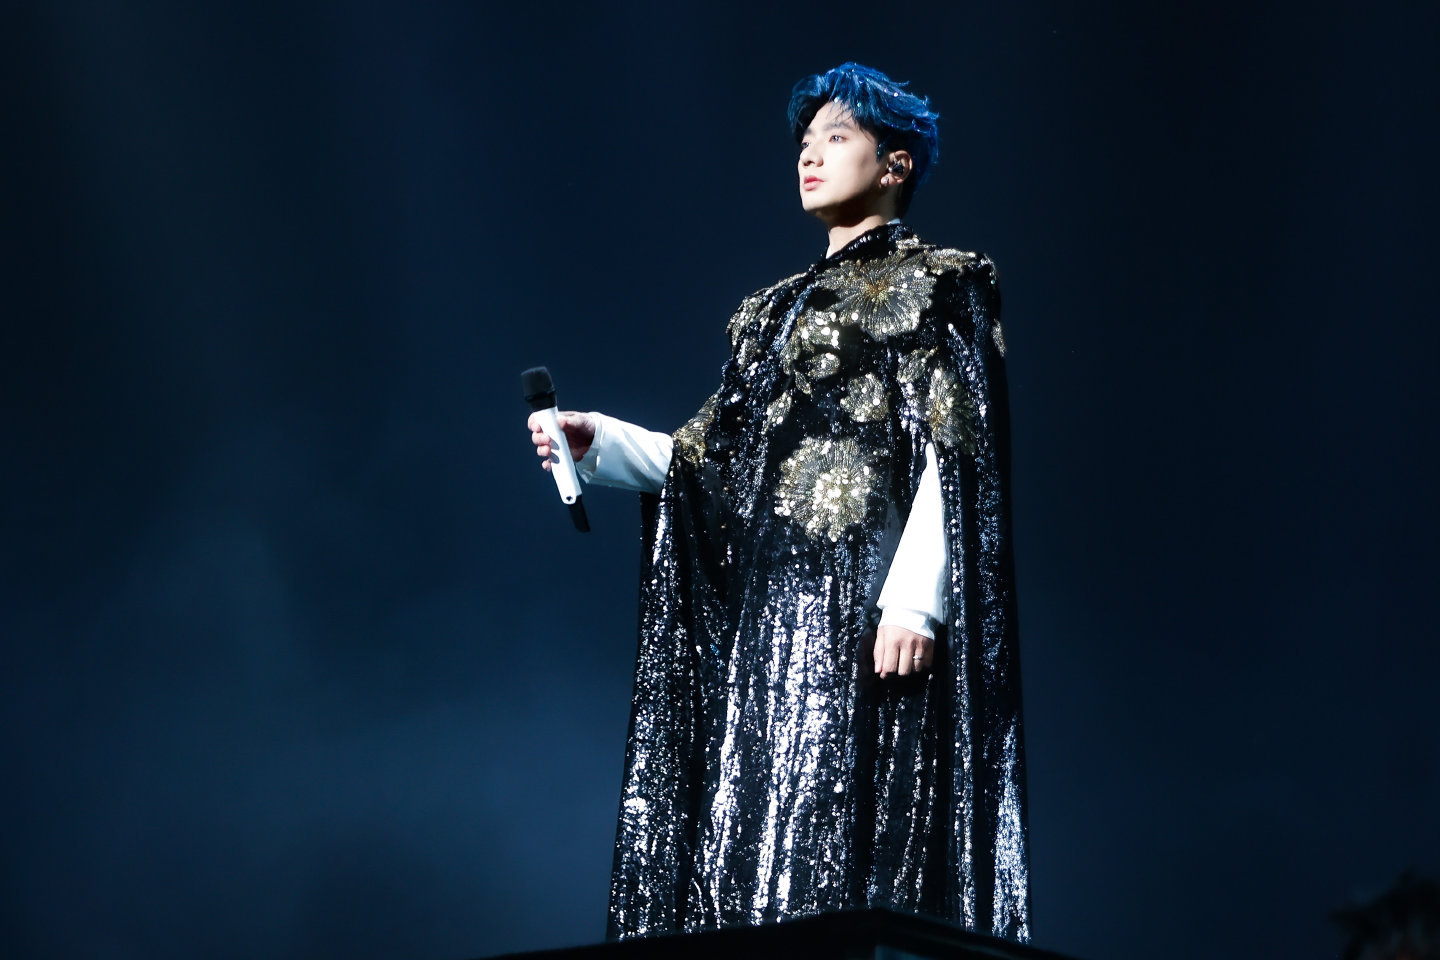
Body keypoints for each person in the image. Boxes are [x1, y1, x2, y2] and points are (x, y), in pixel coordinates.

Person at [526, 62, 1030, 942]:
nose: (810, 155)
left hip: (866, 603)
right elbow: (712, 461)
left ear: (897, 162)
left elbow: (956, 451)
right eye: (804, 141)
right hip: (771, 611)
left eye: (837, 136)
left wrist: (916, 600)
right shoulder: (765, 313)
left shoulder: (944, 280)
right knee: (758, 821)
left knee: (860, 810)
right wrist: (595, 440)